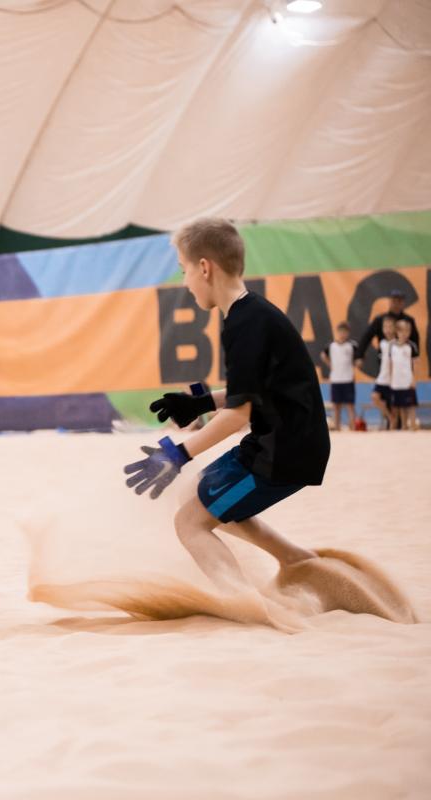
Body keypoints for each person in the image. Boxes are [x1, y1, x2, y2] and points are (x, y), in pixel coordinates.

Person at [124, 218, 329, 594]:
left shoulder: (245, 324)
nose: (185, 282)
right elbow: (249, 391)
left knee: (190, 523)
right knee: (198, 492)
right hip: (283, 443)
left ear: (204, 267)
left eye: (184, 270)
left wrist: (176, 454)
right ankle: (296, 559)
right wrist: (201, 403)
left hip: (279, 456)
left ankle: (243, 603)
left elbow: (237, 415)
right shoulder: (252, 313)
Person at [319, 323, 360, 431]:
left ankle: (353, 428)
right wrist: (330, 365)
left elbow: (359, 358)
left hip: (348, 379)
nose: (342, 334)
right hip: (335, 379)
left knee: (350, 405)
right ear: (337, 332)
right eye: (340, 332)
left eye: (344, 332)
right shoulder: (331, 345)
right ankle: (337, 428)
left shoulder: (352, 345)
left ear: (348, 333)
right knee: (336, 406)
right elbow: (323, 355)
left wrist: (355, 364)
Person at [360, 289, 419, 354]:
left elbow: (415, 340)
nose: (396, 304)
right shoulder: (380, 319)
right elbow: (367, 337)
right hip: (384, 356)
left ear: (403, 303)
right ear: (389, 302)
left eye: (399, 301)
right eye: (394, 301)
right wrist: (359, 356)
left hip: (403, 356)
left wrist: (415, 355)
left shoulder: (409, 320)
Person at [388, 319, 419, 431]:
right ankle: (403, 426)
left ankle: (413, 425)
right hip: (396, 381)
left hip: (408, 380)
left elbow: (415, 364)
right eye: (402, 331)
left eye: (407, 331)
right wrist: (390, 379)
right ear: (397, 332)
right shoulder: (392, 346)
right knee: (399, 406)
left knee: (410, 405)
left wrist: (414, 379)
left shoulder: (412, 346)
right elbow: (391, 363)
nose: (405, 333)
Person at [370, 315, 397, 431]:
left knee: (394, 405)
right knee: (375, 397)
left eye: (390, 326)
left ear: (395, 328)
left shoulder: (397, 343)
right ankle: (391, 418)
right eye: (385, 327)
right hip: (382, 378)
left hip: (394, 379)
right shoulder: (382, 343)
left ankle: (393, 426)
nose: (387, 329)